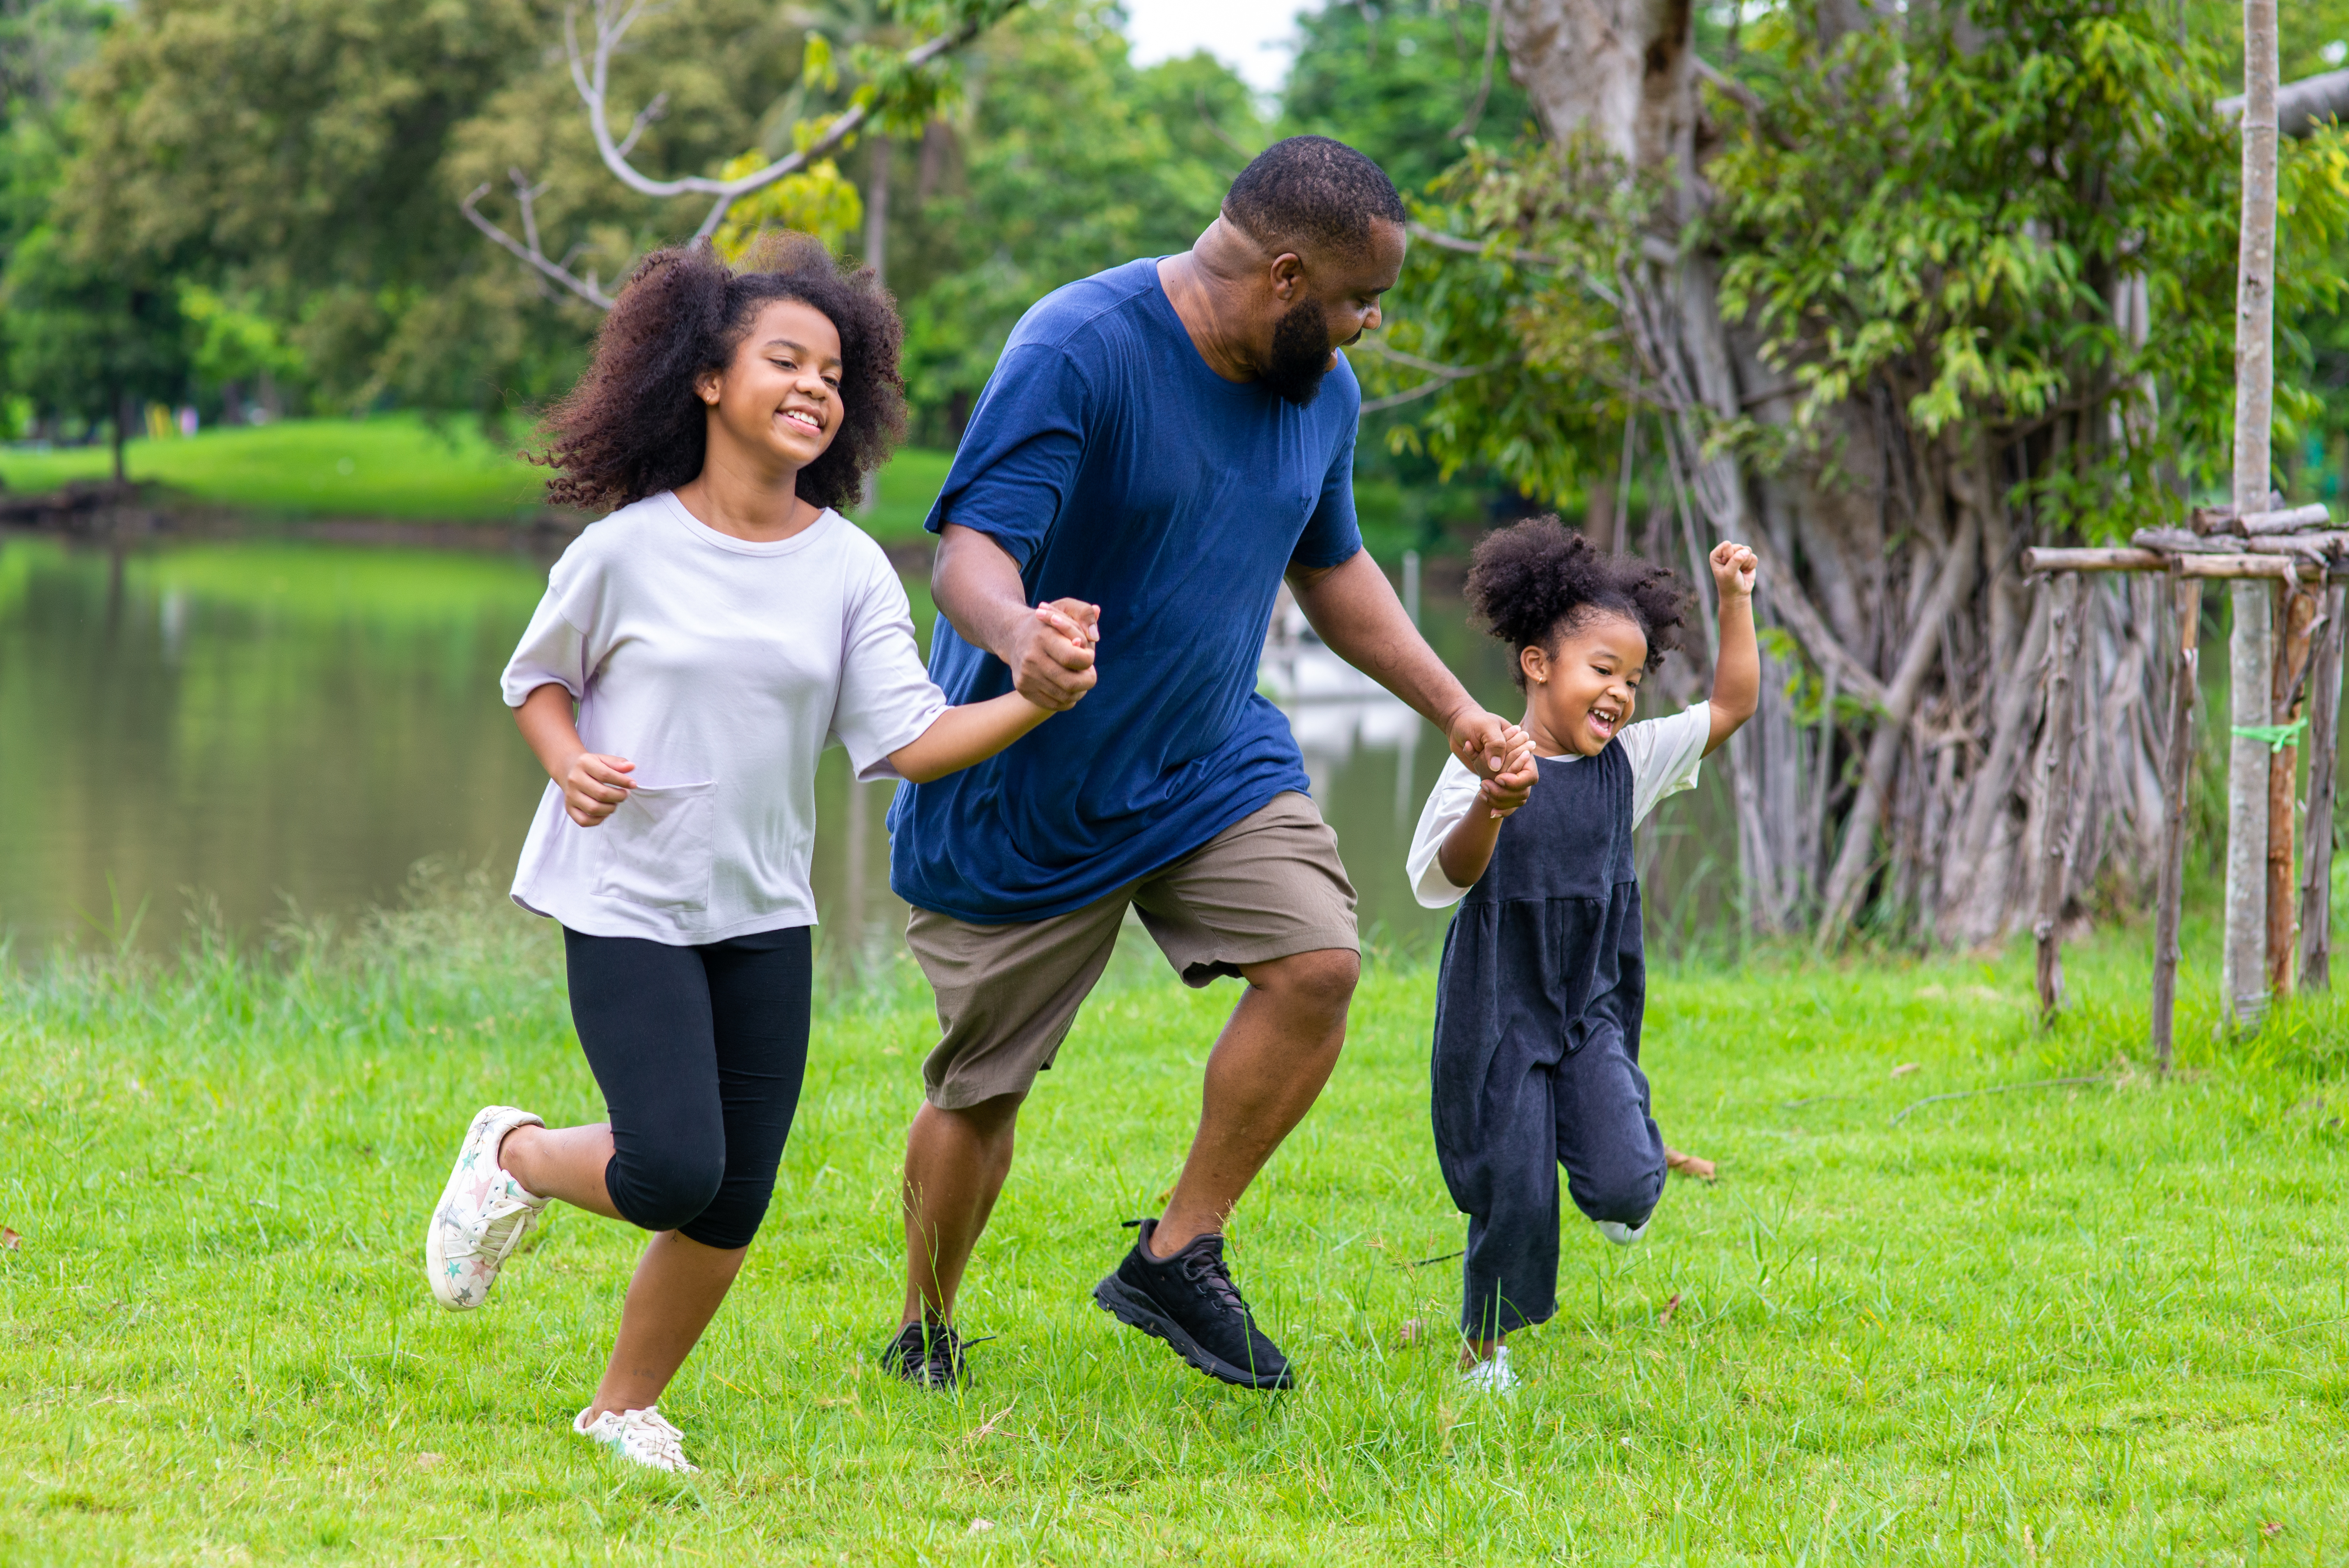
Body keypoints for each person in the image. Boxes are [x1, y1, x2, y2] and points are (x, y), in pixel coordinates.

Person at [420, 235, 1100, 1473]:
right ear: (706, 380)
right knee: (675, 1165)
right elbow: (538, 682)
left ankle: (623, 1407)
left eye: (835, 373)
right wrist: (566, 759)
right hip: (625, 893)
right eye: (785, 360)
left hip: (762, 911)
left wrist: (1034, 700)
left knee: (735, 1195)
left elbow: (909, 737)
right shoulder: (625, 549)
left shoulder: (844, 564)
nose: (815, 388)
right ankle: (511, 1153)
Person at [880, 136, 1531, 1393]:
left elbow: (1331, 568)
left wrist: (1455, 707)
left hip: (1207, 761)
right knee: (981, 1092)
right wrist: (1022, 639)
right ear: (1286, 275)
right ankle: (925, 1325)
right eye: (1355, 298)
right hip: (1024, 788)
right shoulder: (1081, 346)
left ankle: (1177, 1255)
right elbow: (969, 552)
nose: (1370, 324)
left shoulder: (1318, 392)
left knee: (1320, 963)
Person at [1405, 519, 1759, 1394]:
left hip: (1591, 1003)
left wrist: (1734, 599)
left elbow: (1731, 707)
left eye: (1632, 679)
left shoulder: (1630, 761)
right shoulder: (1485, 758)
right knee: (1514, 1187)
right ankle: (1483, 1352)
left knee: (1628, 1186)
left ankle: (1623, 1160)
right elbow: (1435, 880)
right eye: (1602, 670)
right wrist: (1492, 804)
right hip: (1499, 1010)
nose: (1620, 694)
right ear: (1536, 665)